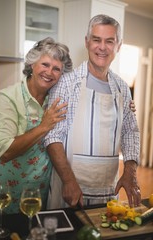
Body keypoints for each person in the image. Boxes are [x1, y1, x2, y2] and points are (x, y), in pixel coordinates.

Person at [44, 14, 141, 209]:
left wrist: (130, 172)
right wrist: (69, 180)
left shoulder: (122, 88)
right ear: (87, 42)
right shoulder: (66, 83)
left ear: (118, 46)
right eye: (96, 40)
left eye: (109, 41)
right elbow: (52, 135)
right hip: (70, 189)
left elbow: (130, 132)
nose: (102, 47)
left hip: (107, 190)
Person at [0, 37, 73, 215]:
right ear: (32, 65)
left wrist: (125, 107)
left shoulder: (58, 98)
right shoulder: (8, 97)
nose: (49, 72)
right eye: (45, 64)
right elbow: (4, 151)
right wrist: (44, 126)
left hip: (38, 192)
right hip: (3, 191)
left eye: (56, 69)